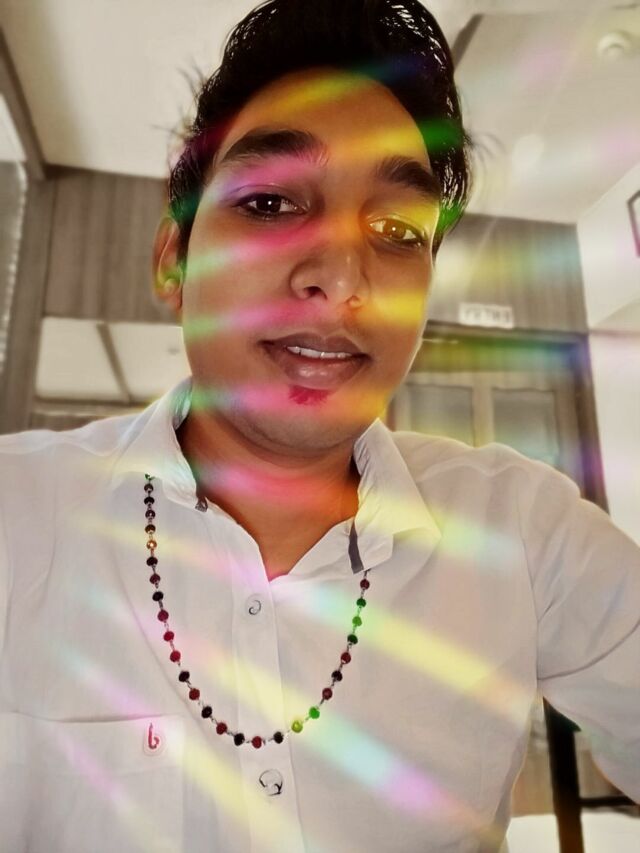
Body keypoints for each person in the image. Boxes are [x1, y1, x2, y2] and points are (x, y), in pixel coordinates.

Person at [0, 1, 638, 851]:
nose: (342, 279)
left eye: (397, 230)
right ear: (173, 260)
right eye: (270, 202)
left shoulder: (523, 530)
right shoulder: (17, 513)